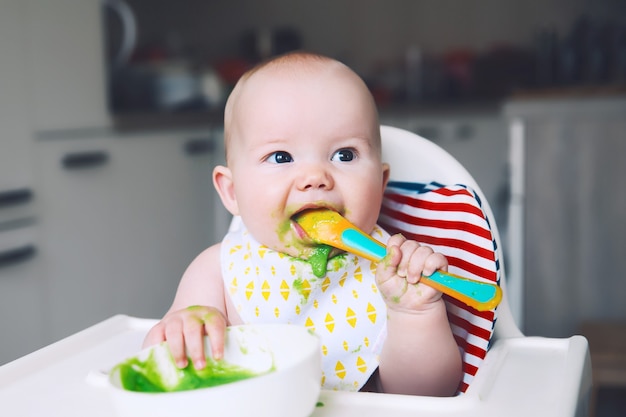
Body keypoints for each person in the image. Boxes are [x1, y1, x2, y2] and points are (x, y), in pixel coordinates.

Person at [143, 51, 462, 396]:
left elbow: (427, 397)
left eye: (345, 155)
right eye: (281, 157)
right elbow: (161, 354)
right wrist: (183, 330)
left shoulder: (392, 273)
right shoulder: (216, 272)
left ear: (381, 185)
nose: (315, 177)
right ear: (232, 191)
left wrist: (414, 314)